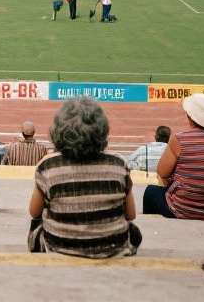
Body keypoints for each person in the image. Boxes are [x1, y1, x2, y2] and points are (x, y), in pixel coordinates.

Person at [28, 96, 141, 257]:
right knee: (134, 231)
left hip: (60, 247)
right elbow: (131, 215)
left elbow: (34, 212)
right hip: (111, 247)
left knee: (36, 225)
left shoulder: (47, 166)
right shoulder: (119, 165)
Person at [142, 93, 204, 221]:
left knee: (151, 192)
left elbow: (162, 172)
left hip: (184, 209)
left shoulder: (179, 139)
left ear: (189, 116)